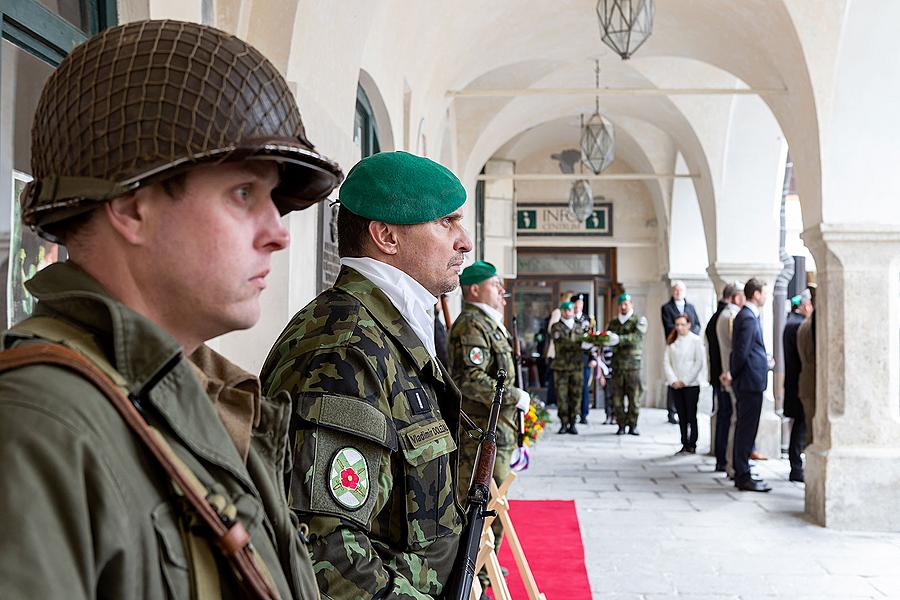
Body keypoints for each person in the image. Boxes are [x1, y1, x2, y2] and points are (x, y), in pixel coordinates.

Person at [0, 20, 343, 599]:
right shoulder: (40, 424)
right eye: (243, 193)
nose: (278, 234)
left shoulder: (205, 397)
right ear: (133, 208)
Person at [260, 151, 470, 598]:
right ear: (386, 236)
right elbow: (326, 554)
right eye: (446, 223)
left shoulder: (386, 329)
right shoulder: (344, 348)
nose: (464, 241)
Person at [446, 260, 530, 584]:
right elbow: (471, 380)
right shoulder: (472, 325)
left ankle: (484, 563)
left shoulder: (489, 324)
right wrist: (514, 396)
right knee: (479, 501)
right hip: (480, 433)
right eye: (495, 285)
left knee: (492, 503)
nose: (501, 291)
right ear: (475, 289)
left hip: (497, 430)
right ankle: (474, 572)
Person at [730, 278, 772, 492]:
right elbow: (740, 352)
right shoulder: (747, 317)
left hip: (750, 380)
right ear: (755, 294)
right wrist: (734, 375)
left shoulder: (748, 316)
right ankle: (743, 475)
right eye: (764, 292)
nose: (766, 296)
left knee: (746, 429)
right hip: (748, 382)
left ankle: (743, 470)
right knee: (746, 430)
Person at [664, 315, 707, 454]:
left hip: (691, 384)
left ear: (689, 325)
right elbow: (666, 363)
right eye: (677, 324)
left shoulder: (695, 340)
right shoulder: (672, 341)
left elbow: (699, 362)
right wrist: (674, 380)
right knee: (681, 415)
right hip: (676, 384)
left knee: (691, 415)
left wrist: (685, 381)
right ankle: (684, 442)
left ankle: (693, 443)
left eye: (682, 324)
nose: (679, 327)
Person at [606, 293, 648, 436]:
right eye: (621, 304)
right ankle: (621, 425)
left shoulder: (639, 320)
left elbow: (636, 337)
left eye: (626, 303)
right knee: (617, 398)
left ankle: (633, 424)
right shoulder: (613, 323)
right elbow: (608, 339)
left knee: (634, 398)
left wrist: (619, 339)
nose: (624, 306)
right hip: (617, 366)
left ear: (631, 304)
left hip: (632, 366)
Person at [661, 280, 701, 424]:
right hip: (675, 343)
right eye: (676, 290)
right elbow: (668, 326)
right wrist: (680, 331)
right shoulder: (666, 308)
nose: (678, 293)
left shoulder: (690, 307)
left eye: (680, 290)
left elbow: (697, 324)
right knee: (673, 376)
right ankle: (672, 411)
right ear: (673, 292)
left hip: (689, 345)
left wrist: (689, 334)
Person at [783, 290, 813, 482]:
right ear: (804, 305)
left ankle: (796, 465)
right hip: (800, 382)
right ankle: (796, 466)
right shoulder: (798, 325)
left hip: (794, 381)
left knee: (799, 424)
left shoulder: (792, 323)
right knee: (800, 425)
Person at [550, 300, 590, 434]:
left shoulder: (579, 327)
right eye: (565, 310)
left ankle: (573, 422)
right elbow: (562, 343)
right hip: (561, 368)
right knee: (562, 396)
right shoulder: (556, 327)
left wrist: (591, 346)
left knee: (576, 395)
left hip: (577, 367)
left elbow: (586, 344)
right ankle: (563, 422)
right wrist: (580, 344)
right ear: (561, 311)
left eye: (570, 310)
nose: (568, 312)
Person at [706, 284, 734, 471]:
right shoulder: (726, 317)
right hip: (724, 375)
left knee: (722, 414)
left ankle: (720, 458)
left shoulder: (715, 317)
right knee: (725, 415)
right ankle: (722, 459)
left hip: (718, 375)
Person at [572, 293, 598, 424]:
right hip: (571, 359)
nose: (578, 306)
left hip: (585, 358)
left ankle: (583, 414)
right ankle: (572, 414)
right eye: (576, 304)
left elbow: (593, 339)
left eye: (580, 304)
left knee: (584, 387)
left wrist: (593, 357)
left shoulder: (588, 320)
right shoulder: (569, 319)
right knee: (572, 387)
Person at [797, 291, 817, 451]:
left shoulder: (805, 324)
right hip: (811, 383)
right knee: (812, 432)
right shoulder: (809, 325)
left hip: (806, 382)